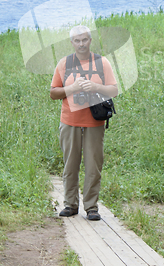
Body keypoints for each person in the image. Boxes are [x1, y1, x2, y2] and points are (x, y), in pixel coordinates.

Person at [50, 25, 118, 221]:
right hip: (70, 120)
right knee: (70, 164)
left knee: (93, 165)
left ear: (90, 40)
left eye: (84, 40)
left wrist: (95, 86)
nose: (81, 44)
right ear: (72, 43)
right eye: (77, 40)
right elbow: (53, 93)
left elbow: (113, 90)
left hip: (94, 122)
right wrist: (71, 88)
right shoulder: (64, 63)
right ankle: (70, 205)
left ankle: (91, 207)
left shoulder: (102, 63)